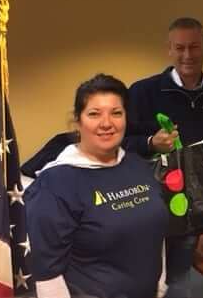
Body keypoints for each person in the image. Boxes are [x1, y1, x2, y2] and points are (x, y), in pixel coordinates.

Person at [124, 17, 203, 298]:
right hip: (146, 207)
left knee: (179, 282)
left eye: (194, 47)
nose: (187, 55)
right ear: (169, 49)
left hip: (191, 212)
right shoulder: (143, 92)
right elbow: (118, 145)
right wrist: (149, 142)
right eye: (179, 48)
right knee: (139, 282)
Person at [25, 74, 168, 298]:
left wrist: (159, 284)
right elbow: (47, 274)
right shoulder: (55, 184)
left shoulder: (137, 166)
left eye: (116, 113)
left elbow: (155, 233)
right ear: (78, 121)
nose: (106, 123)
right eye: (94, 114)